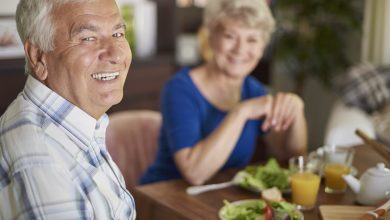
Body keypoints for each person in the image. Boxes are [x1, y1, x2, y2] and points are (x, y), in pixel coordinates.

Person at [141, 0, 307, 185]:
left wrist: (296, 110)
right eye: (230, 36)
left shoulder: (254, 90)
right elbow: (194, 173)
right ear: (211, 37)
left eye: (252, 39)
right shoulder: (179, 88)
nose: (240, 49)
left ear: (262, 48)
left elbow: (290, 156)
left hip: (219, 198)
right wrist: (240, 112)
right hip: (164, 198)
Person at [0, 0, 135, 219]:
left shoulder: (74, 122)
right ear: (37, 56)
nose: (117, 55)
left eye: (118, 34)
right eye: (88, 38)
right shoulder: (42, 161)